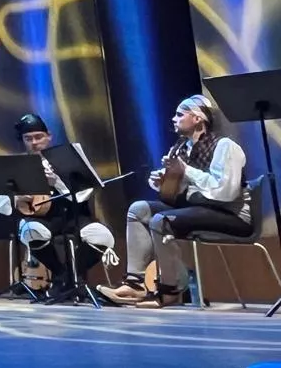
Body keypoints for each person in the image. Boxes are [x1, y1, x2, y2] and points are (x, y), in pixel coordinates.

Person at [98, 95, 251, 308]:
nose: (173, 118)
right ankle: (135, 283)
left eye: (180, 114)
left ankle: (172, 290)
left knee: (162, 221)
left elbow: (224, 192)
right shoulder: (182, 149)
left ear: (197, 118)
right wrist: (163, 180)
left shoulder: (225, 146)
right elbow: (180, 190)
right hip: (198, 208)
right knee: (138, 210)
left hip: (230, 213)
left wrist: (185, 170)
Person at [8, 113, 116, 301]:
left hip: (73, 217)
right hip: (40, 218)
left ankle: (67, 279)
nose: (34, 142)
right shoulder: (17, 165)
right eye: (28, 139)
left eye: (38, 137)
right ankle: (63, 276)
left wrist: (56, 182)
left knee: (103, 236)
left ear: (49, 136)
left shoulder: (68, 159)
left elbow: (82, 195)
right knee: (31, 231)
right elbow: (2, 205)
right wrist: (17, 197)